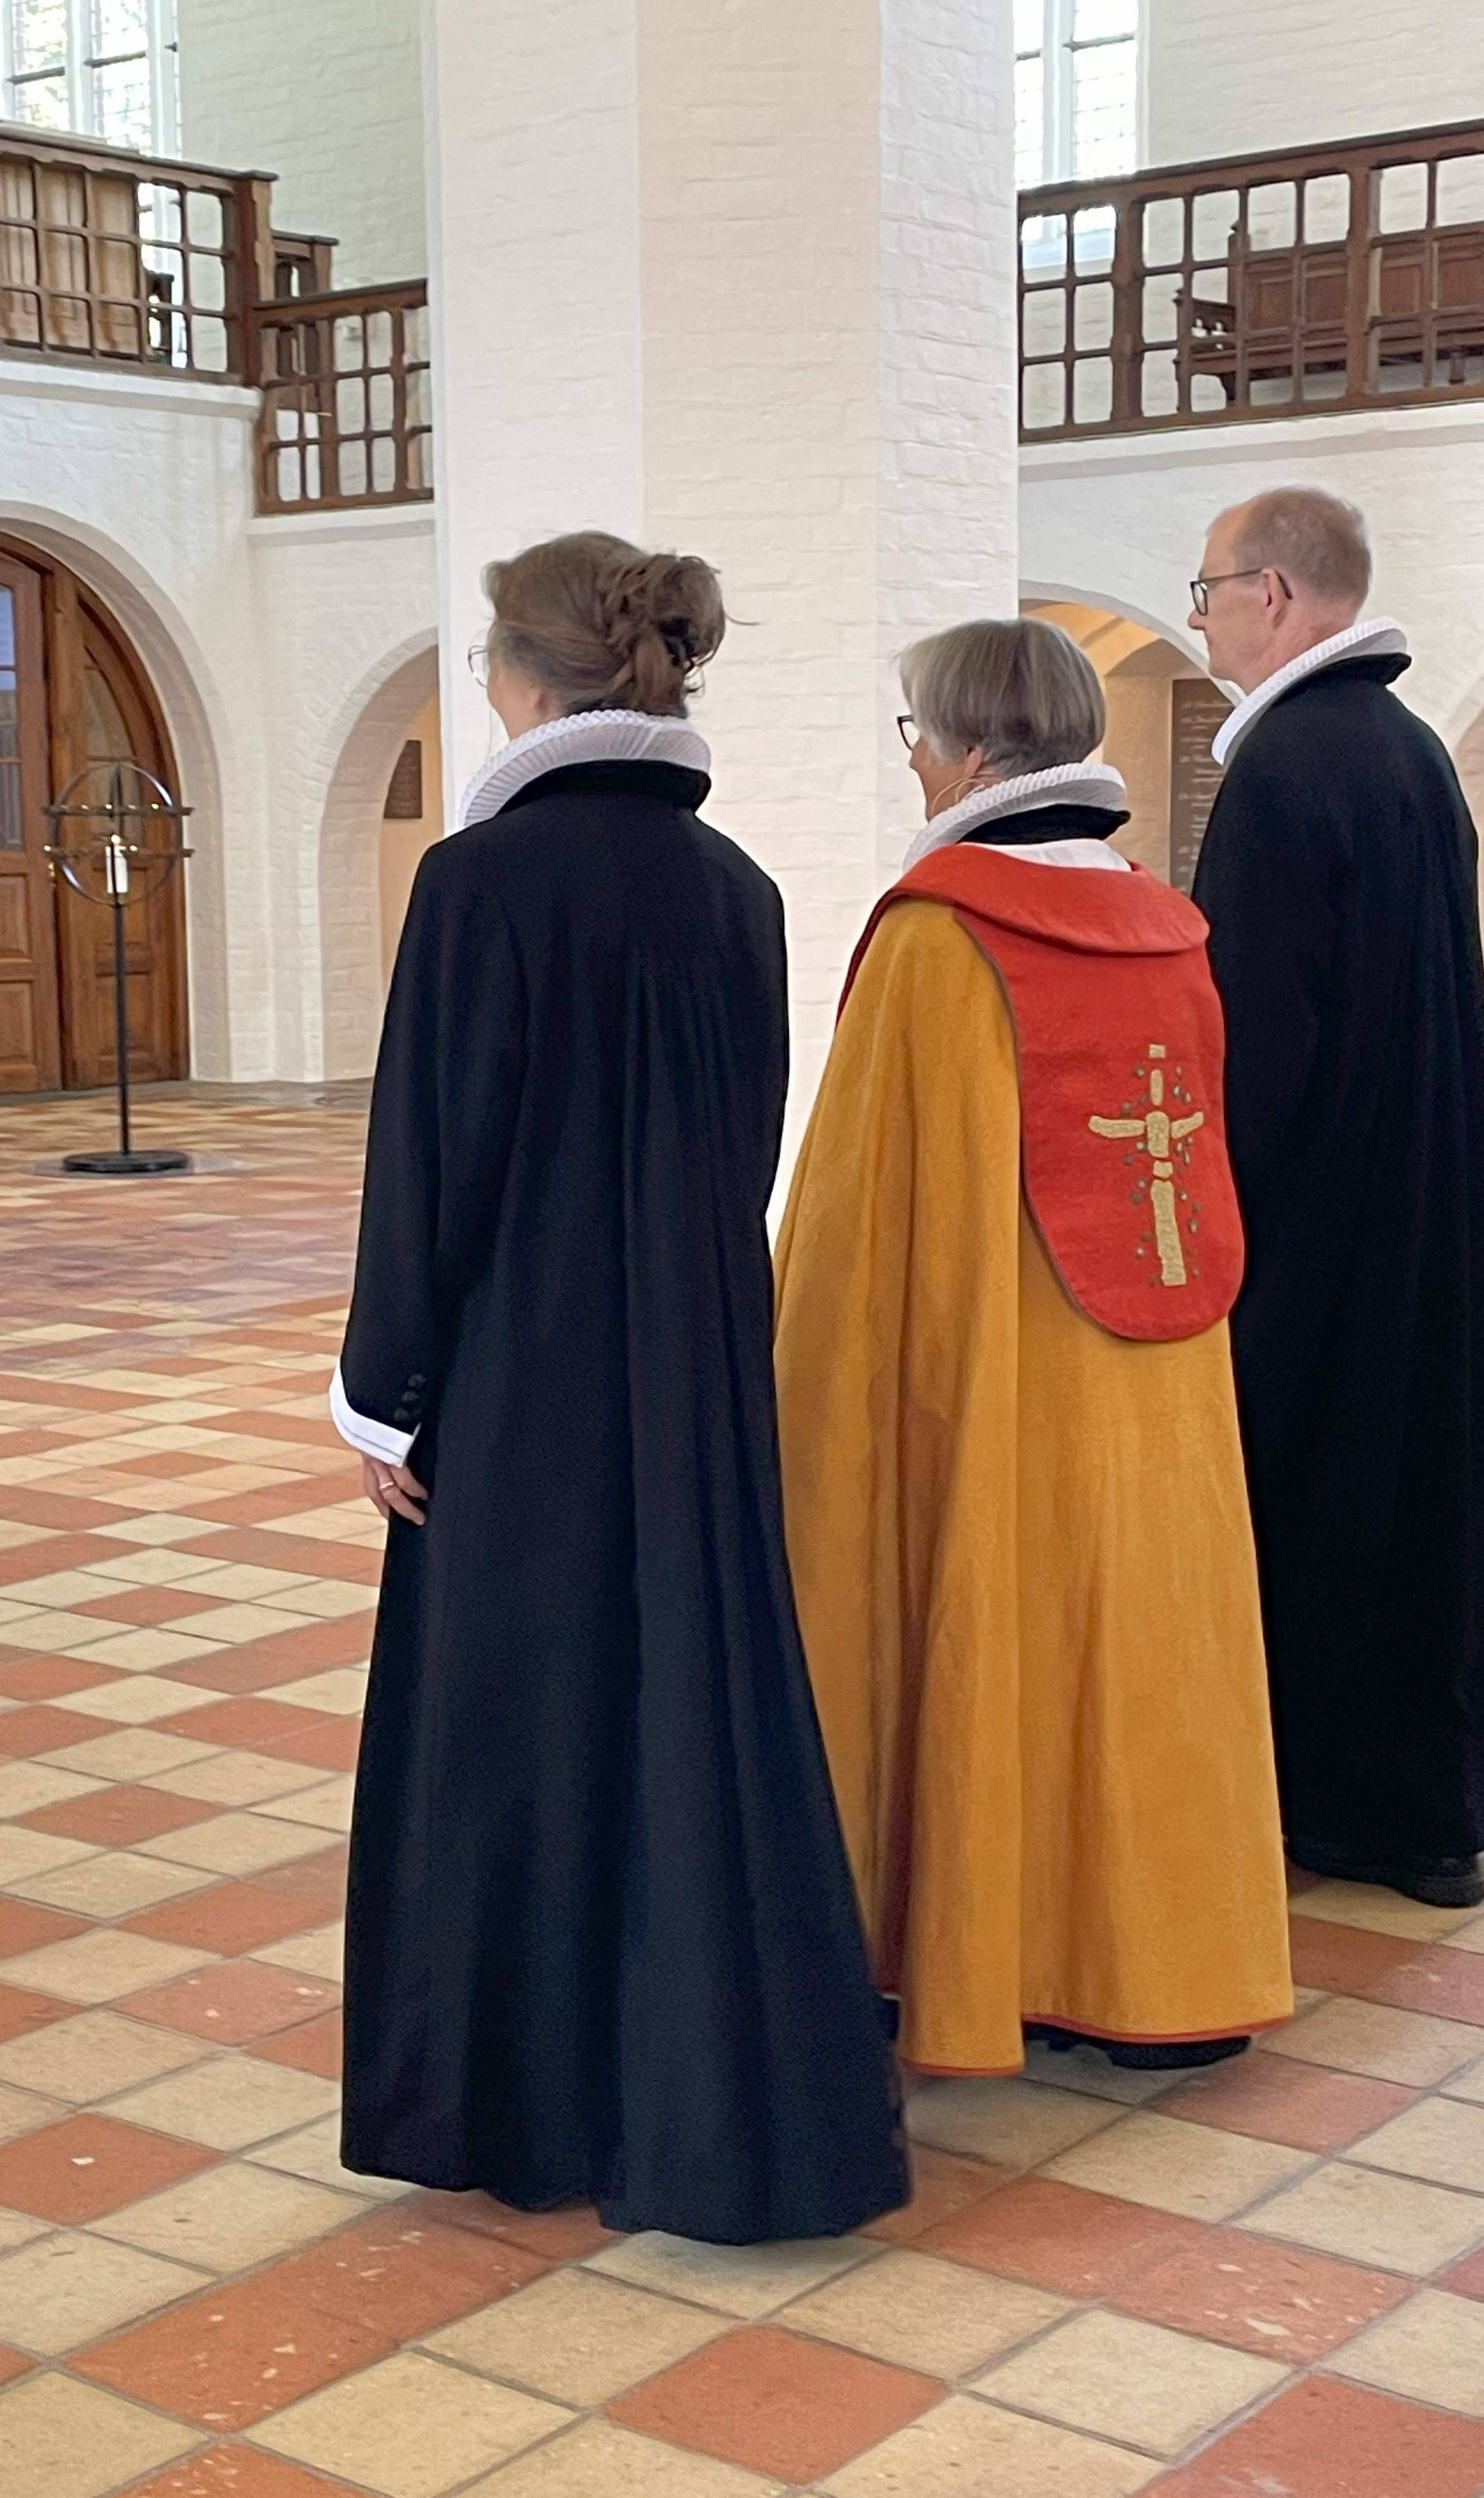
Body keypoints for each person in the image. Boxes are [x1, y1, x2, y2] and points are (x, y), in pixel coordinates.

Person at [329, 530, 908, 2243]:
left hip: (524, 1378)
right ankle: (708, 2112)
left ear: (520, 677)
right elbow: (743, 1148)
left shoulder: (478, 883)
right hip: (700, 1363)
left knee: (518, 1726)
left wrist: (385, 1390)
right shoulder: (739, 890)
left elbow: (428, 1163)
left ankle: (527, 2105)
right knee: (689, 1710)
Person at [772, 616, 1294, 2077]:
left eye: (915, 737)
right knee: (1153, 1639)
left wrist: (798, 1375)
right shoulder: (1167, 925)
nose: (913, 765)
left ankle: (983, 1959)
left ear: (967, 748)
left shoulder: (939, 937)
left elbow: (856, 1213)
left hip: (994, 1380)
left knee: (990, 1616)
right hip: (1162, 1379)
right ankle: (1169, 1975)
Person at [1188, 488, 1484, 1909]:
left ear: (1272, 594)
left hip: (1319, 1217)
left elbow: (1252, 1038)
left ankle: (1343, 1806)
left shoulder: (1282, 768)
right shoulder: (1411, 749)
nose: (1201, 618)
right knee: (1426, 1487)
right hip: (1425, 1192)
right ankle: (1439, 1804)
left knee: (1324, 1489)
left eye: (1208, 590)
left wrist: (1213, 1222)